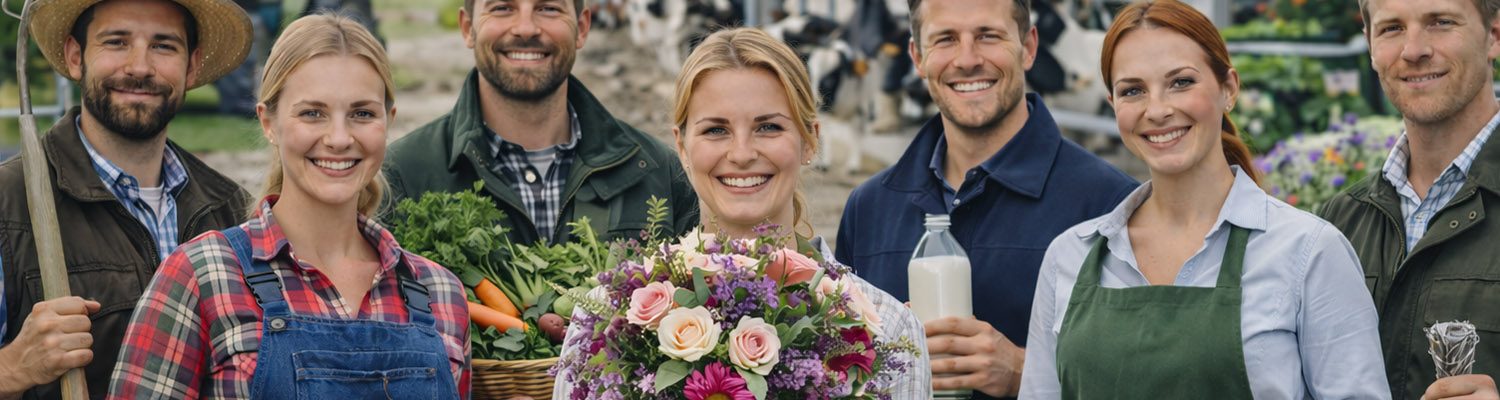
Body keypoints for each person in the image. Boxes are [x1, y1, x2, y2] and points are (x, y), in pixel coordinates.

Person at [1018, 1, 1390, 398]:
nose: (1157, 109)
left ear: (1228, 89)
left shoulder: (1307, 252)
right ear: (1113, 106)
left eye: (1181, 82)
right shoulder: (1070, 257)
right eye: (1133, 90)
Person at [106, 14, 470, 399]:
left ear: (388, 121)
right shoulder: (202, 276)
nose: (339, 138)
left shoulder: (439, 293)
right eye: (312, 113)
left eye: (362, 114)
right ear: (269, 122)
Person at [555, 27, 931, 398]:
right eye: (716, 130)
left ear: (810, 141)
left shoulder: (890, 329)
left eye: (768, 127)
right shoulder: (607, 321)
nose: (741, 153)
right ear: (682, 147)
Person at [834, 0, 1137, 396]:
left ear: (1028, 47)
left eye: (988, 36)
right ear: (918, 57)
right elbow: (840, 367)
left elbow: (1145, 373)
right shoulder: (868, 209)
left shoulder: (1110, 204)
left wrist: (1023, 370)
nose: (967, 59)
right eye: (945, 39)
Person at [0, 0, 252, 398]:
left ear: (192, 65)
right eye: (116, 42)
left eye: (164, 45)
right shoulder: (7, 204)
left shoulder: (233, 211)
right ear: (75, 56)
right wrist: (14, 366)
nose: (139, 67)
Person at [382, 0, 698, 246]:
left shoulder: (657, 171)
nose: (525, 28)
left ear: (582, 27)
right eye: (502, 8)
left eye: (548, 8)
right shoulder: (401, 175)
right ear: (468, 28)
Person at [1320, 0, 1500, 398]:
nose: (1414, 49)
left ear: (1494, 35)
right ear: (1369, 45)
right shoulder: (1339, 222)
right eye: (1391, 28)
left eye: (1440, 22)